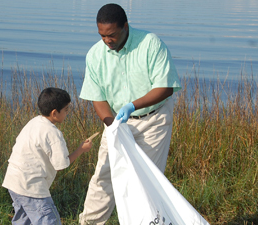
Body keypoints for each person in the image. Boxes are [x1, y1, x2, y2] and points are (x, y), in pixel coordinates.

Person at [78, 3, 182, 224]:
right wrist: (112, 124)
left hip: (153, 120)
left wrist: (132, 106)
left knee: (147, 180)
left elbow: (166, 87)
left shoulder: (150, 44)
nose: (107, 40)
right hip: (115, 122)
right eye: (102, 35)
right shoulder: (95, 55)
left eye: (112, 35)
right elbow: (98, 97)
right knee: (104, 176)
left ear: (125, 26)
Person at [2, 87, 93, 225]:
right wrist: (81, 149)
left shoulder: (33, 122)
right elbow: (61, 164)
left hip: (13, 182)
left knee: (23, 220)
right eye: (66, 110)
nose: (67, 113)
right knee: (49, 221)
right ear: (55, 112)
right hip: (32, 187)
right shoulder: (53, 133)